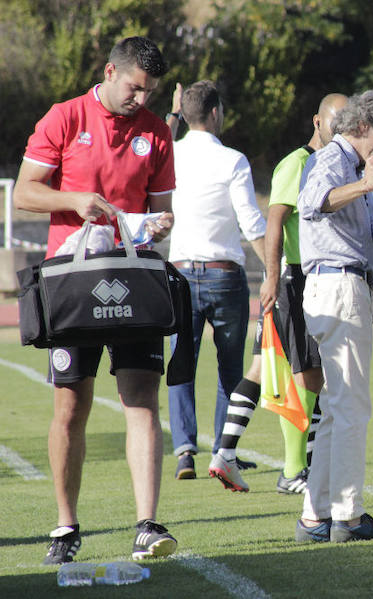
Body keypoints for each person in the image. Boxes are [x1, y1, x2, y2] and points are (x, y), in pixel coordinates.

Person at [12, 36, 179, 563]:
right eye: (133, 88)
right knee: (70, 409)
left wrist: (159, 223)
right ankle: (65, 528)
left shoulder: (155, 132)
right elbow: (23, 192)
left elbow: (160, 212)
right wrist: (74, 200)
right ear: (110, 72)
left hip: (133, 281)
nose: (141, 101)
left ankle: (147, 525)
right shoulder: (64, 117)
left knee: (142, 404)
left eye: (149, 93)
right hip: (72, 286)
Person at [209, 93, 348, 494]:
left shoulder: (331, 163)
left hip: (301, 278)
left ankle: (227, 452)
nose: (338, 131)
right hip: (295, 280)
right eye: (332, 123)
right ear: (316, 122)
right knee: (307, 376)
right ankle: (294, 470)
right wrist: (272, 276)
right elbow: (275, 221)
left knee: (264, 368)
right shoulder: (297, 163)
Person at [293, 90, 373, 543]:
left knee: (336, 409)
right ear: (364, 128)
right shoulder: (335, 158)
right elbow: (312, 201)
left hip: (335, 286)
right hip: (338, 285)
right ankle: (348, 518)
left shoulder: (349, 164)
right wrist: (366, 185)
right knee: (351, 408)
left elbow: (368, 231)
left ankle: (315, 517)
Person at [165, 80, 267, 480]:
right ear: (214, 113)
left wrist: (172, 116)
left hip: (179, 275)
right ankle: (224, 451)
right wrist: (273, 268)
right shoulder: (233, 160)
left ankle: (184, 451)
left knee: (180, 365)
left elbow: (151, 153)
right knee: (231, 369)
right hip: (224, 276)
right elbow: (250, 220)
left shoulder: (170, 155)